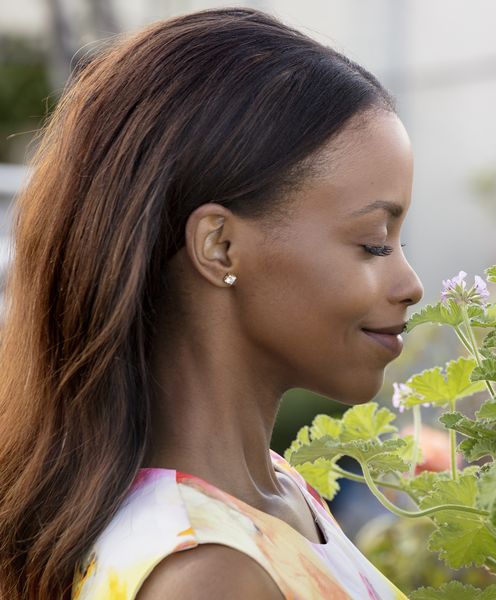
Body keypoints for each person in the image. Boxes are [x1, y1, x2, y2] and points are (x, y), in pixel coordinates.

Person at [0, 7, 423, 599]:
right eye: (374, 242)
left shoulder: (273, 494)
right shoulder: (209, 574)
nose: (411, 283)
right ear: (219, 247)